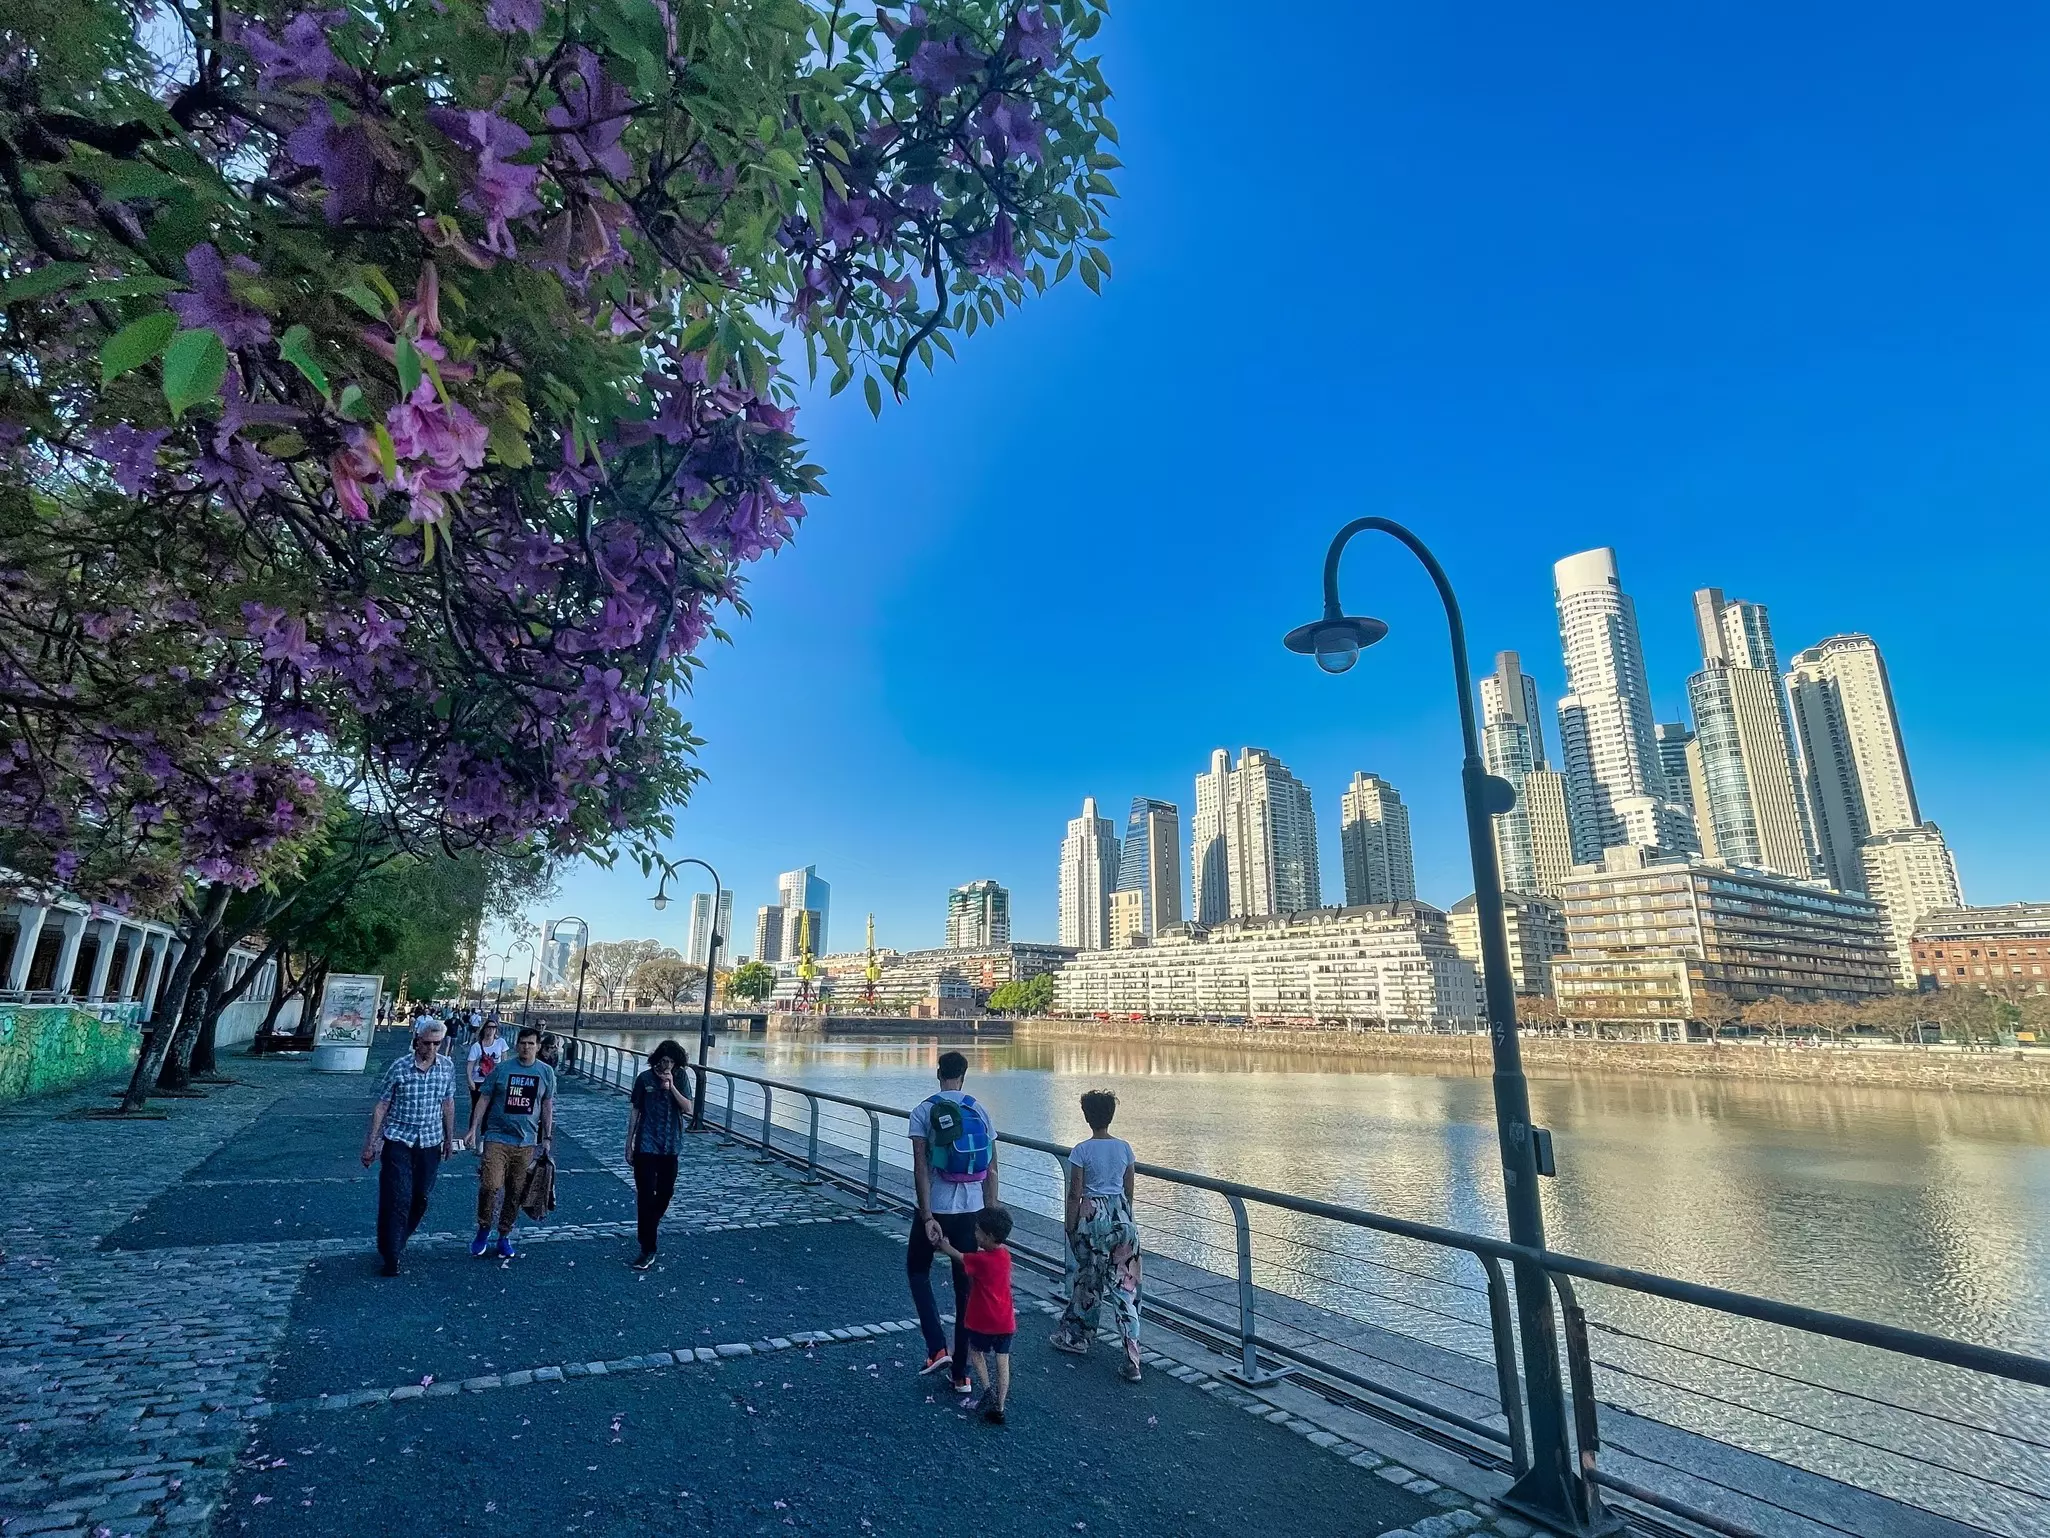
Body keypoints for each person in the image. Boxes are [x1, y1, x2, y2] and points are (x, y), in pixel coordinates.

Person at [908, 1050, 999, 1394]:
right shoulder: (979, 1109)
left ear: (938, 1073)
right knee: (966, 1290)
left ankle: (937, 1348)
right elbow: (991, 1167)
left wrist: (927, 1215)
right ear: (964, 1074)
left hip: (938, 1207)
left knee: (918, 1271)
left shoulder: (923, 1110)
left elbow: (920, 1168)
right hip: (972, 1212)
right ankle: (961, 1374)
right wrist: (990, 1215)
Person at [1049, 1089, 1143, 1381]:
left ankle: (1078, 1338)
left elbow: (1075, 1192)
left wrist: (1070, 1224)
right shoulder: (1125, 1149)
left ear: (1087, 1117)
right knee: (1124, 1290)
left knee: (1089, 1282)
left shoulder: (1081, 1150)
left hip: (1093, 1220)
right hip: (1122, 1220)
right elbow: (1128, 1190)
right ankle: (1132, 1357)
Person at [359, 1018, 457, 1277]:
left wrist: (449, 1138)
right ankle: (391, 1253)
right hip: (399, 1139)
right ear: (417, 1041)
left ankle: (399, 1238)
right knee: (397, 1196)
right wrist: (371, 1143)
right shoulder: (400, 1068)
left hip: (430, 1141)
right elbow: (382, 1105)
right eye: (428, 1043)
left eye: (438, 1043)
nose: (433, 1049)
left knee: (420, 1197)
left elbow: (448, 1104)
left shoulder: (446, 1068)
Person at [462, 1025, 556, 1260]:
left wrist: (546, 1138)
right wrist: (473, 1129)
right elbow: (484, 1098)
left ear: (538, 1046)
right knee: (490, 1185)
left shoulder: (545, 1073)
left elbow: (546, 1106)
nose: (526, 1047)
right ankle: (484, 1228)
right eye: (523, 1043)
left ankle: (504, 1234)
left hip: (526, 1141)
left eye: (531, 1043)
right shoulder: (502, 1069)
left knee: (515, 1191)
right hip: (496, 1137)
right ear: (517, 1045)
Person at [932, 1206, 1017, 1424]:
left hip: (984, 1320)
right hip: (1005, 1320)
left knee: (976, 1352)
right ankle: (1000, 1405)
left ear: (988, 1236)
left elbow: (960, 1257)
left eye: (978, 1231)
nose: (975, 1234)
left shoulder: (981, 1261)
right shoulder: (1005, 1257)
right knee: (1003, 1361)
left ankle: (987, 1389)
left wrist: (942, 1243)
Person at [624, 1040, 694, 1270]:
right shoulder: (644, 1079)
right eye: (664, 1061)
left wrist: (671, 1086)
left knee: (664, 1193)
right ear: (657, 1059)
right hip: (646, 1144)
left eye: (672, 1062)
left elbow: (688, 1108)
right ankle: (648, 1247)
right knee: (645, 1196)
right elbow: (635, 1109)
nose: (667, 1066)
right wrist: (629, 1144)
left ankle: (650, 1223)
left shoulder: (680, 1077)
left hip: (670, 1145)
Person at [466, 1018, 509, 1121]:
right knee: (476, 1108)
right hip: (479, 1081)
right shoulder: (476, 1046)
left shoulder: (501, 1042)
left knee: (492, 1109)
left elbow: (504, 1062)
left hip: (494, 1081)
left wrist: (504, 1078)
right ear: (484, 1029)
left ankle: (486, 1133)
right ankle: (472, 1132)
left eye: (494, 1028)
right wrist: (470, 1080)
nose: (491, 1030)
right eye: (489, 1027)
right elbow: (470, 1065)